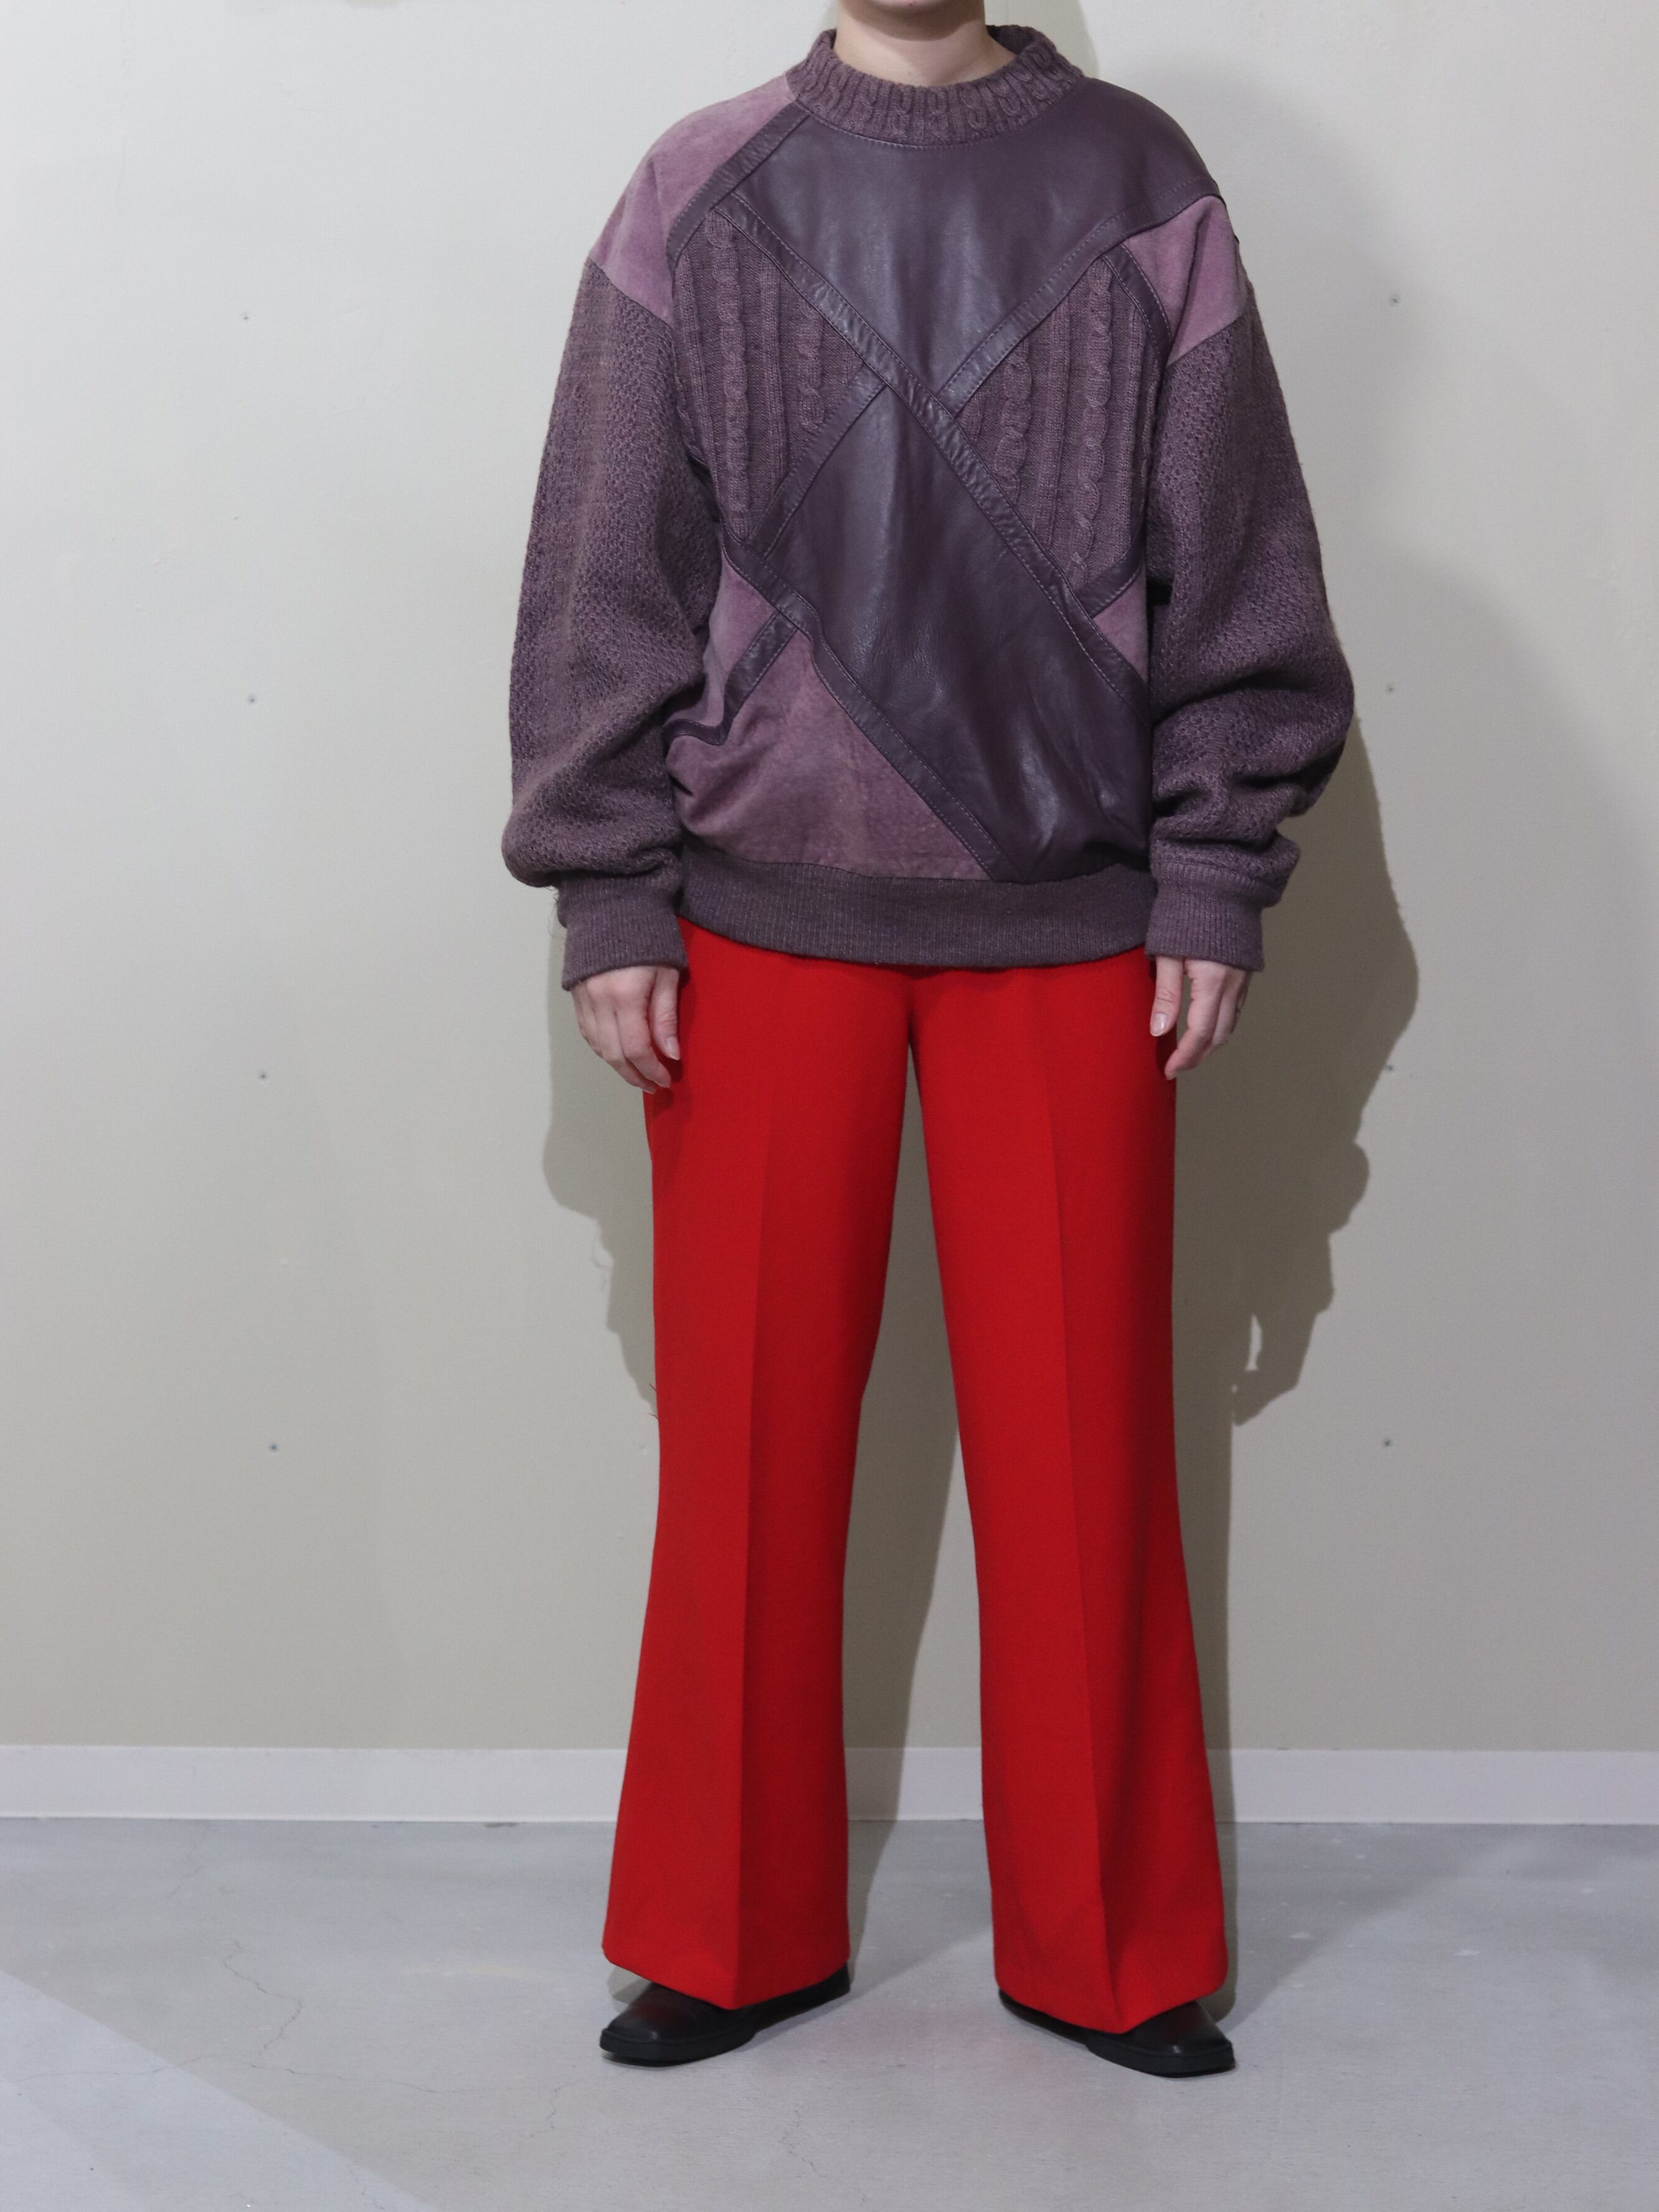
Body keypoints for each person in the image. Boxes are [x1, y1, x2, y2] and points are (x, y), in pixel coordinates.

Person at [503, 0, 1353, 2079]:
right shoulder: (697, 185)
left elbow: (1239, 558)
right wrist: (609, 887)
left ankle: (1115, 1948)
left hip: (1071, 921)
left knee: (1086, 1461)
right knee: (745, 1456)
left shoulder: (1140, 179)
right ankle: (723, 1930)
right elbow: (608, 562)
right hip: (751, 917)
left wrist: (1213, 875)